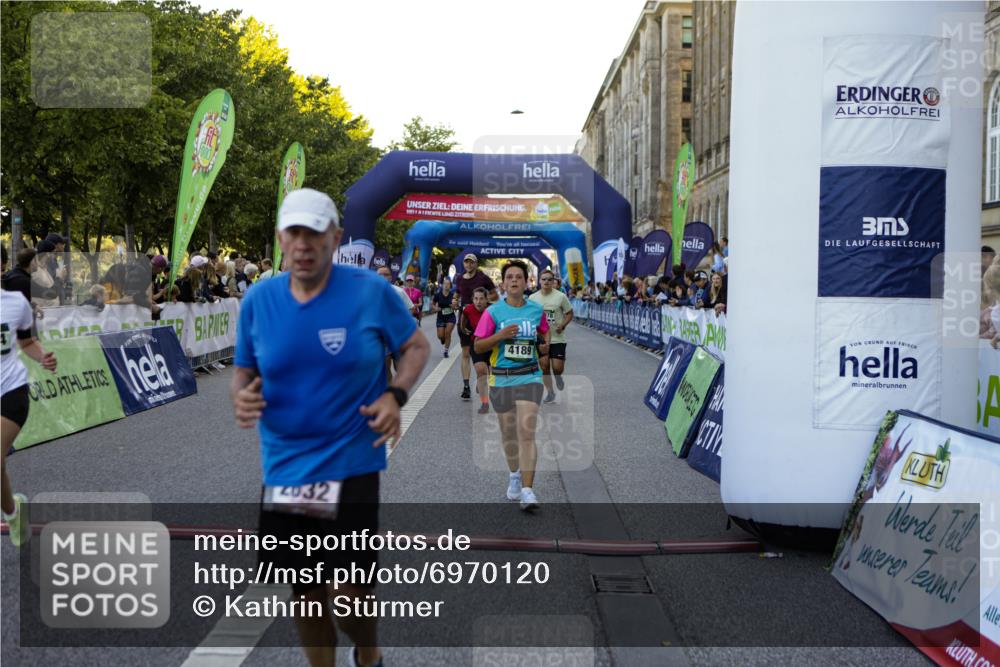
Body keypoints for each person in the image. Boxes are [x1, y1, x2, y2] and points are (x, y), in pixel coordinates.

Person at [231, 188, 429, 667]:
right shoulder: (259, 299)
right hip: (288, 467)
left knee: (349, 595)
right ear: (280, 238)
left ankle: (368, 648)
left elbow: (416, 347)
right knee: (307, 590)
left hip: (351, 461)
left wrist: (394, 394)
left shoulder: (370, 292)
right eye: (293, 233)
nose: (303, 244)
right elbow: (244, 368)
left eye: (314, 233)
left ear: (335, 237)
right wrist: (242, 394)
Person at [473, 260, 549, 511]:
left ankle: (528, 490)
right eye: (510, 277)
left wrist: (543, 346)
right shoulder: (493, 313)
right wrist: (500, 336)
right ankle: (515, 475)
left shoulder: (536, 310)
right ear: (503, 283)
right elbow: (478, 346)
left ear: (527, 282)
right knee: (508, 434)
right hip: (502, 377)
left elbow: (544, 333)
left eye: (519, 277)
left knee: (526, 432)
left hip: (530, 375)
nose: (514, 280)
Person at [1, 287, 58, 546]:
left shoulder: (15, 303)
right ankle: (13, 512)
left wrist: (43, 356)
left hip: (11, 390)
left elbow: (26, 342)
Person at [454, 254, 497, 401]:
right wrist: (455, 302)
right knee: (465, 352)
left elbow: (495, 295)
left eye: (471, 262)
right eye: (466, 262)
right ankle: (466, 386)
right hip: (466, 318)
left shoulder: (483, 278)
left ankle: (481, 379)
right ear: (464, 264)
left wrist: (481, 302)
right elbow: (457, 293)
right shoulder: (459, 278)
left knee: (482, 353)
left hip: (481, 319)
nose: (469, 265)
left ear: (476, 264)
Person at [529, 269, 574, 404]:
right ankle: (550, 392)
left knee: (557, 368)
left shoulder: (560, 296)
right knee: (544, 367)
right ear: (539, 281)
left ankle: (558, 376)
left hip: (557, 337)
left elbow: (570, 313)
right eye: (544, 279)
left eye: (549, 279)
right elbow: (529, 316)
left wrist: (563, 325)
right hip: (541, 338)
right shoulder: (532, 298)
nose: (546, 282)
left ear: (553, 281)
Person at [460, 287, 491, 413]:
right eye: (476, 299)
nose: (478, 302)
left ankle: (481, 383)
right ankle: (484, 403)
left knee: (492, 374)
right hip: (476, 343)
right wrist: (463, 329)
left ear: (486, 300)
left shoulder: (493, 309)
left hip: (492, 344)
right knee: (481, 370)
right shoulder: (468, 309)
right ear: (472, 299)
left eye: (481, 299)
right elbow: (463, 320)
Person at [431, 277, 457, 357]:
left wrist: (454, 307)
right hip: (441, 317)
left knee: (448, 333)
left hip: (450, 317)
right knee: (441, 336)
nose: (446, 286)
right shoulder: (438, 295)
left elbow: (456, 307)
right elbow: (432, 304)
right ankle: (443, 339)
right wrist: (435, 308)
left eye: (448, 284)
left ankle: (446, 351)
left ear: (450, 286)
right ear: (442, 285)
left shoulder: (453, 296)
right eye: (445, 284)